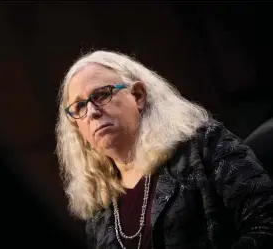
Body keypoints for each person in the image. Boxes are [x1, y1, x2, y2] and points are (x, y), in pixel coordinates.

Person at [55, 50, 273, 249]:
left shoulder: (203, 145)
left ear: (138, 96)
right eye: (80, 106)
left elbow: (266, 223)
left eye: (101, 95)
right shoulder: (98, 210)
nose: (92, 111)